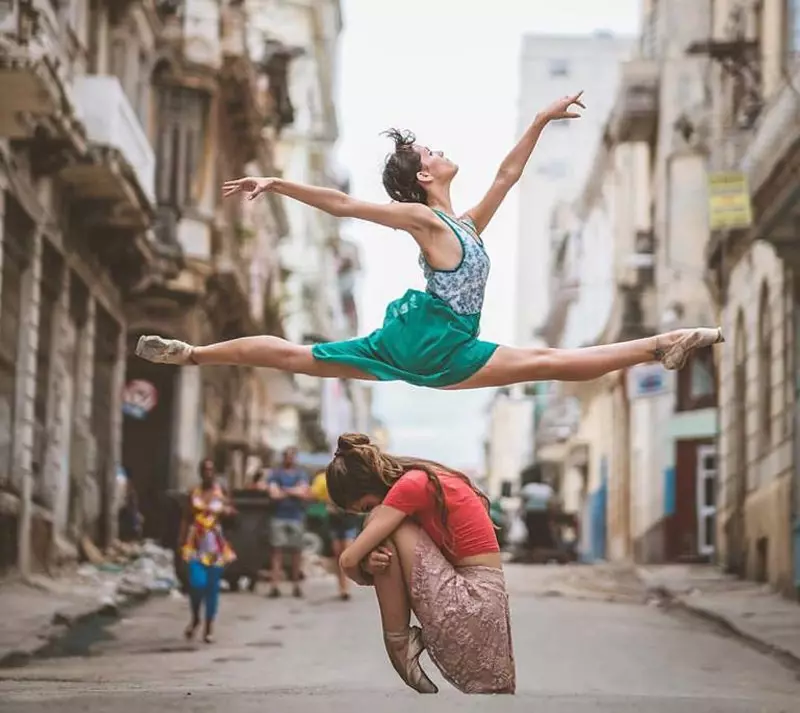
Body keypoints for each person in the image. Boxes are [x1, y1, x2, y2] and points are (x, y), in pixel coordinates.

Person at [134, 91, 724, 389]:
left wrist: (541, 121)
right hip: (434, 342)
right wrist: (278, 181)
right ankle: (663, 343)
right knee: (548, 361)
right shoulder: (423, 221)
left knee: (300, 356)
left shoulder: (463, 226)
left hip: (431, 342)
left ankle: (192, 354)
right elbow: (343, 205)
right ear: (423, 177)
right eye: (430, 153)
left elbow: (507, 176)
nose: (440, 152)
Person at [325, 433, 515, 695]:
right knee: (381, 536)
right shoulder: (424, 477)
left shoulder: (411, 486)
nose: (370, 510)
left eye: (365, 505)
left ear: (368, 484)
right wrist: (368, 564)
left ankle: (398, 642)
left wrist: (360, 569)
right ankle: (401, 642)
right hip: (483, 608)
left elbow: (347, 559)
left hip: (473, 602)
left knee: (381, 526)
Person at [180, 459, 236, 643]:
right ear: (200, 472)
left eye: (211, 469)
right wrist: (180, 542)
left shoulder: (222, 493)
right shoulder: (193, 493)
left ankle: (208, 626)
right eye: (204, 469)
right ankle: (196, 617)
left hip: (215, 546)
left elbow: (233, 515)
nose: (208, 473)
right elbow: (186, 517)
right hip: (196, 544)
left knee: (212, 588)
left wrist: (228, 512)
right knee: (197, 584)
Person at [311, 470, 362, 601]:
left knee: (346, 554)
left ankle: (346, 588)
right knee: (338, 555)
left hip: (348, 522)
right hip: (335, 522)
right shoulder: (326, 482)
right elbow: (318, 496)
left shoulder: (352, 483)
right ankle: (341, 587)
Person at [267, 447, 310, 598]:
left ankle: (296, 585)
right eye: (287, 456)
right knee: (276, 552)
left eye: (292, 456)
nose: (289, 459)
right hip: (279, 516)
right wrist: (294, 491)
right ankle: (274, 585)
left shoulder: (301, 474)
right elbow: (273, 494)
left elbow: (304, 492)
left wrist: (284, 490)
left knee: (296, 552)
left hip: (295, 517)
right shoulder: (275, 474)